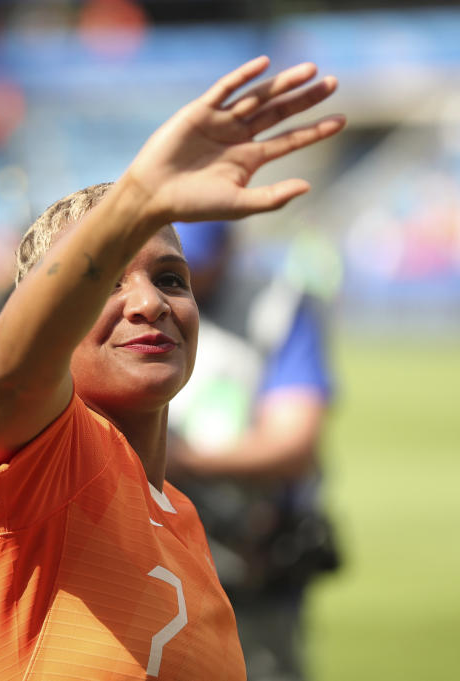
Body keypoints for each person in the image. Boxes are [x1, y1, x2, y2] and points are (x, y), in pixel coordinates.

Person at [0, 56, 344, 680]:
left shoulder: (180, 517)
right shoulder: (34, 467)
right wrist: (138, 199)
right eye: (105, 285)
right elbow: (14, 369)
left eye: (171, 279)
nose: (151, 303)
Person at [165, 220, 338, 681]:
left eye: (193, 265)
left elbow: (293, 444)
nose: (189, 279)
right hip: (153, 557)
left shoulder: (277, 305)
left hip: (251, 556)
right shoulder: (130, 305)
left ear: (230, 247)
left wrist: (174, 460)